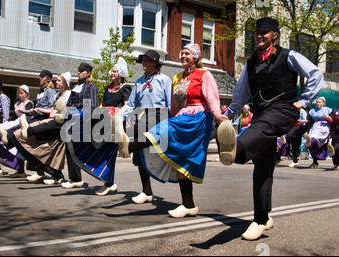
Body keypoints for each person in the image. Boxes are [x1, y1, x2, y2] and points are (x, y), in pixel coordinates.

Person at [216, 17, 323, 240]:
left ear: (274, 34)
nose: (259, 36)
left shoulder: (289, 55)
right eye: (257, 33)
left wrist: (304, 101)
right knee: (262, 166)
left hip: (285, 108)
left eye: (265, 32)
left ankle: (235, 149)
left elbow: (315, 73)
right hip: (262, 111)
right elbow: (239, 94)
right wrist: (227, 116)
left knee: (263, 126)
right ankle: (261, 219)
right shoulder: (251, 62)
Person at [115, 45, 223, 218]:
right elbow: (174, 105)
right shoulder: (177, 77)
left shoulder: (204, 74)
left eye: (187, 53)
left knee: (160, 132)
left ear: (196, 56)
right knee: (182, 160)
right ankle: (188, 204)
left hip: (197, 118)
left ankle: (129, 146)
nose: (183, 55)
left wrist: (218, 115)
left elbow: (212, 96)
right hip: (179, 118)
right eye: (181, 53)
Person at [114, 49, 172, 204]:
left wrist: (172, 122)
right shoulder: (139, 81)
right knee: (140, 156)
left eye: (147, 60)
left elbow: (170, 102)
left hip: (160, 116)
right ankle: (147, 192)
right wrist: (122, 120)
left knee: (154, 152)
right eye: (143, 60)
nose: (143, 63)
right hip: (143, 116)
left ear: (155, 63)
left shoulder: (164, 80)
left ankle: (126, 146)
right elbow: (132, 104)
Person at [68, 57, 132, 196]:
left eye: (114, 71)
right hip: (104, 116)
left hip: (115, 119)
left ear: (120, 73)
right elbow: (102, 104)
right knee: (101, 147)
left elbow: (127, 105)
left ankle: (109, 183)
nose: (112, 73)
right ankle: (108, 181)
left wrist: (118, 117)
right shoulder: (109, 87)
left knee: (109, 152)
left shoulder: (125, 87)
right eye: (112, 71)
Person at [13, 72, 71, 184]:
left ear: (65, 82)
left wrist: (52, 112)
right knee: (20, 137)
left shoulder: (68, 94)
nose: (56, 82)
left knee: (33, 134)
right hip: (53, 121)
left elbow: (68, 110)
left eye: (59, 80)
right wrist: (51, 111)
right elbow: (52, 109)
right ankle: (53, 175)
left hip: (59, 125)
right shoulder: (57, 95)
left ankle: (28, 130)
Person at [0, 84, 34, 178]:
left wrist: (23, 112)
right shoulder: (17, 104)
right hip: (16, 123)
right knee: (15, 147)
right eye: (19, 93)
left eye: (22, 93)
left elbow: (29, 115)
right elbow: (13, 115)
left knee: (17, 148)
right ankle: (20, 170)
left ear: (27, 94)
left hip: (23, 124)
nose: (20, 95)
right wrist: (7, 120)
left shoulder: (29, 103)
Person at [303, 97, 333, 168]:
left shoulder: (328, 110)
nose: (318, 103)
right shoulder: (313, 111)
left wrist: (327, 117)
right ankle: (314, 161)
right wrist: (307, 121)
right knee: (312, 143)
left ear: (323, 103)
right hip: (315, 127)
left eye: (319, 102)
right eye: (317, 102)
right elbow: (310, 120)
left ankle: (310, 141)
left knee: (316, 139)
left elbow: (332, 120)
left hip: (324, 127)